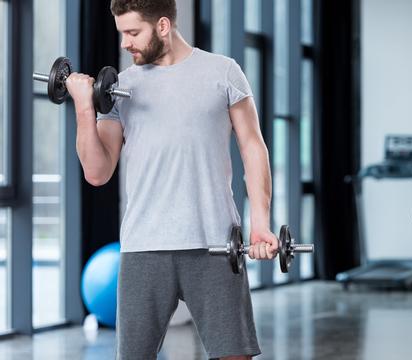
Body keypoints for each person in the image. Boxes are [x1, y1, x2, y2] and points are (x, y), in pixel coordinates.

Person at [65, 1, 277, 359]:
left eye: (133, 33)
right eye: (121, 33)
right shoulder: (120, 87)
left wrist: (261, 223)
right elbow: (97, 172)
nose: (124, 44)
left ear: (163, 26)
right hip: (143, 246)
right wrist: (85, 108)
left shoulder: (223, 72)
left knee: (235, 355)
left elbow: (253, 148)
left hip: (214, 242)